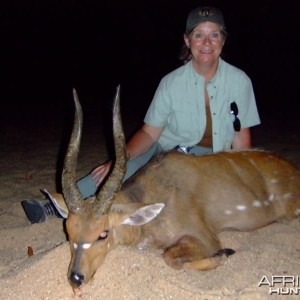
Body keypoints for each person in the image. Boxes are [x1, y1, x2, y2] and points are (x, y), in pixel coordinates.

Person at [22, 6, 260, 223]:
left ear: (223, 40)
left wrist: (241, 177)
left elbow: (241, 139)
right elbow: (149, 132)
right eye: (199, 34)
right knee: (120, 169)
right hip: (166, 151)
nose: (206, 42)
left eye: (214, 34)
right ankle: (54, 206)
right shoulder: (170, 83)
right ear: (187, 40)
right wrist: (119, 159)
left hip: (211, 162)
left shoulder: (240, 82)